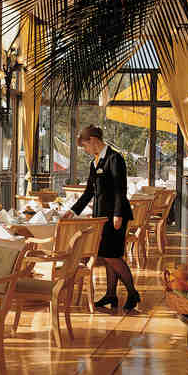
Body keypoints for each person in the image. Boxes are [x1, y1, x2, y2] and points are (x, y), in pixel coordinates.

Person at [63, 125, 140, 311]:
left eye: (85, 146)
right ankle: (111, 295)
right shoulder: (95, 162)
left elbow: (120, 189)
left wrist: (118, 214)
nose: (85, 150)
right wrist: (73, 211)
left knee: (113, 256)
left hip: (115, 216)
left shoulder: (115, 159)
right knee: (106, 256)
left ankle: (132, 293)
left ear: (93, 140)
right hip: (101, 218)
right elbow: (89, 192)